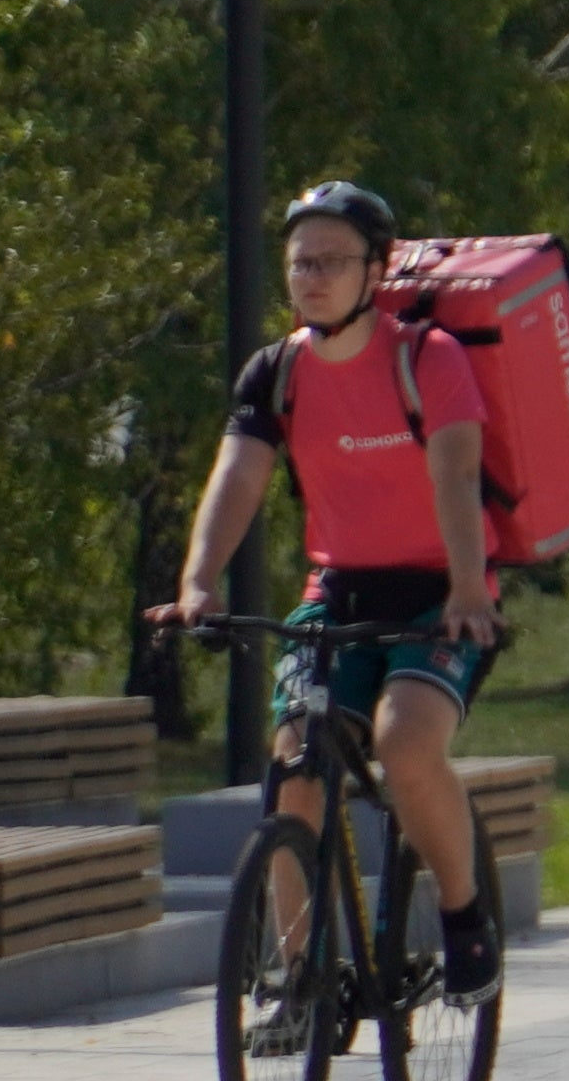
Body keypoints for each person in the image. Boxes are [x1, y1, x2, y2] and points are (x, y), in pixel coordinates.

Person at [159, 181, 502, 998]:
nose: (312, 276)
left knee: (406, 743)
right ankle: (298, 975)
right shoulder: (276, 373)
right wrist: (197, 584)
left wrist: (464, 588)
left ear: (375, 271)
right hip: (340, 588)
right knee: (296, 768)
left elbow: (456, 475)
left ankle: (464, 925)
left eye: (332, 261)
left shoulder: (428, 358)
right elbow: (237, 477)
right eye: (299, 261)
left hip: (437, 590)